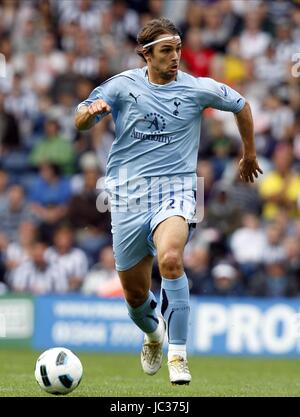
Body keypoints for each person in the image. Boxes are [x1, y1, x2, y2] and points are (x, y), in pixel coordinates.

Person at [75, 17, 263, 386]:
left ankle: (178, 354)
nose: (175, 57)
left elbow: (242, 106)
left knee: (172, 259)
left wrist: (249, 153)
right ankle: (154, 335)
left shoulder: (196, 89)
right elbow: (80, 117)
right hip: (127, 198)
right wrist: (89, 115)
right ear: (146, 55)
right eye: (166, 51)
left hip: (175, 191)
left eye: (177, 49)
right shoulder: (122, 86)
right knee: (134, 297)